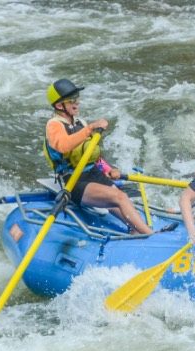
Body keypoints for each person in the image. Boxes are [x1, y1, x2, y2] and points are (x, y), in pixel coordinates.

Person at [44, 78, 153, 235]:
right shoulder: (54, 125)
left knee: (118, 201)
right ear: (60, 106)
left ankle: (136, 231)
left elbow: (91, 154)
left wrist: (108, 169)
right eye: (72, 100)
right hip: (73, 180)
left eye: (77, 99)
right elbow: (63, 145)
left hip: (93, 173)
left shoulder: (79, 122)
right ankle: (149, 235)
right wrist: (89, 129)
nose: (77, 103)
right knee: (119, 197)